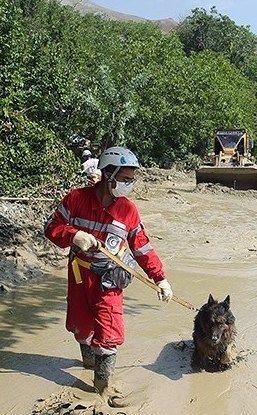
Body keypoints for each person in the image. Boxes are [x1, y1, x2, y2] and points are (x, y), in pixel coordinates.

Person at [44, 146, 174, 395]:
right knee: (80, 326)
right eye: (125, 179)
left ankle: (102, 388)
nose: (130, 185)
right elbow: (51, 227)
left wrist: (161, 279)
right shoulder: (76, 199)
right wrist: (73, 235)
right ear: (107, 174)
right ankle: (89, 363)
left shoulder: (129, 210)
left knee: (110, 331)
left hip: (110, 278)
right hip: (80, 276)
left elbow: (142, 248)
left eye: (131, 180)